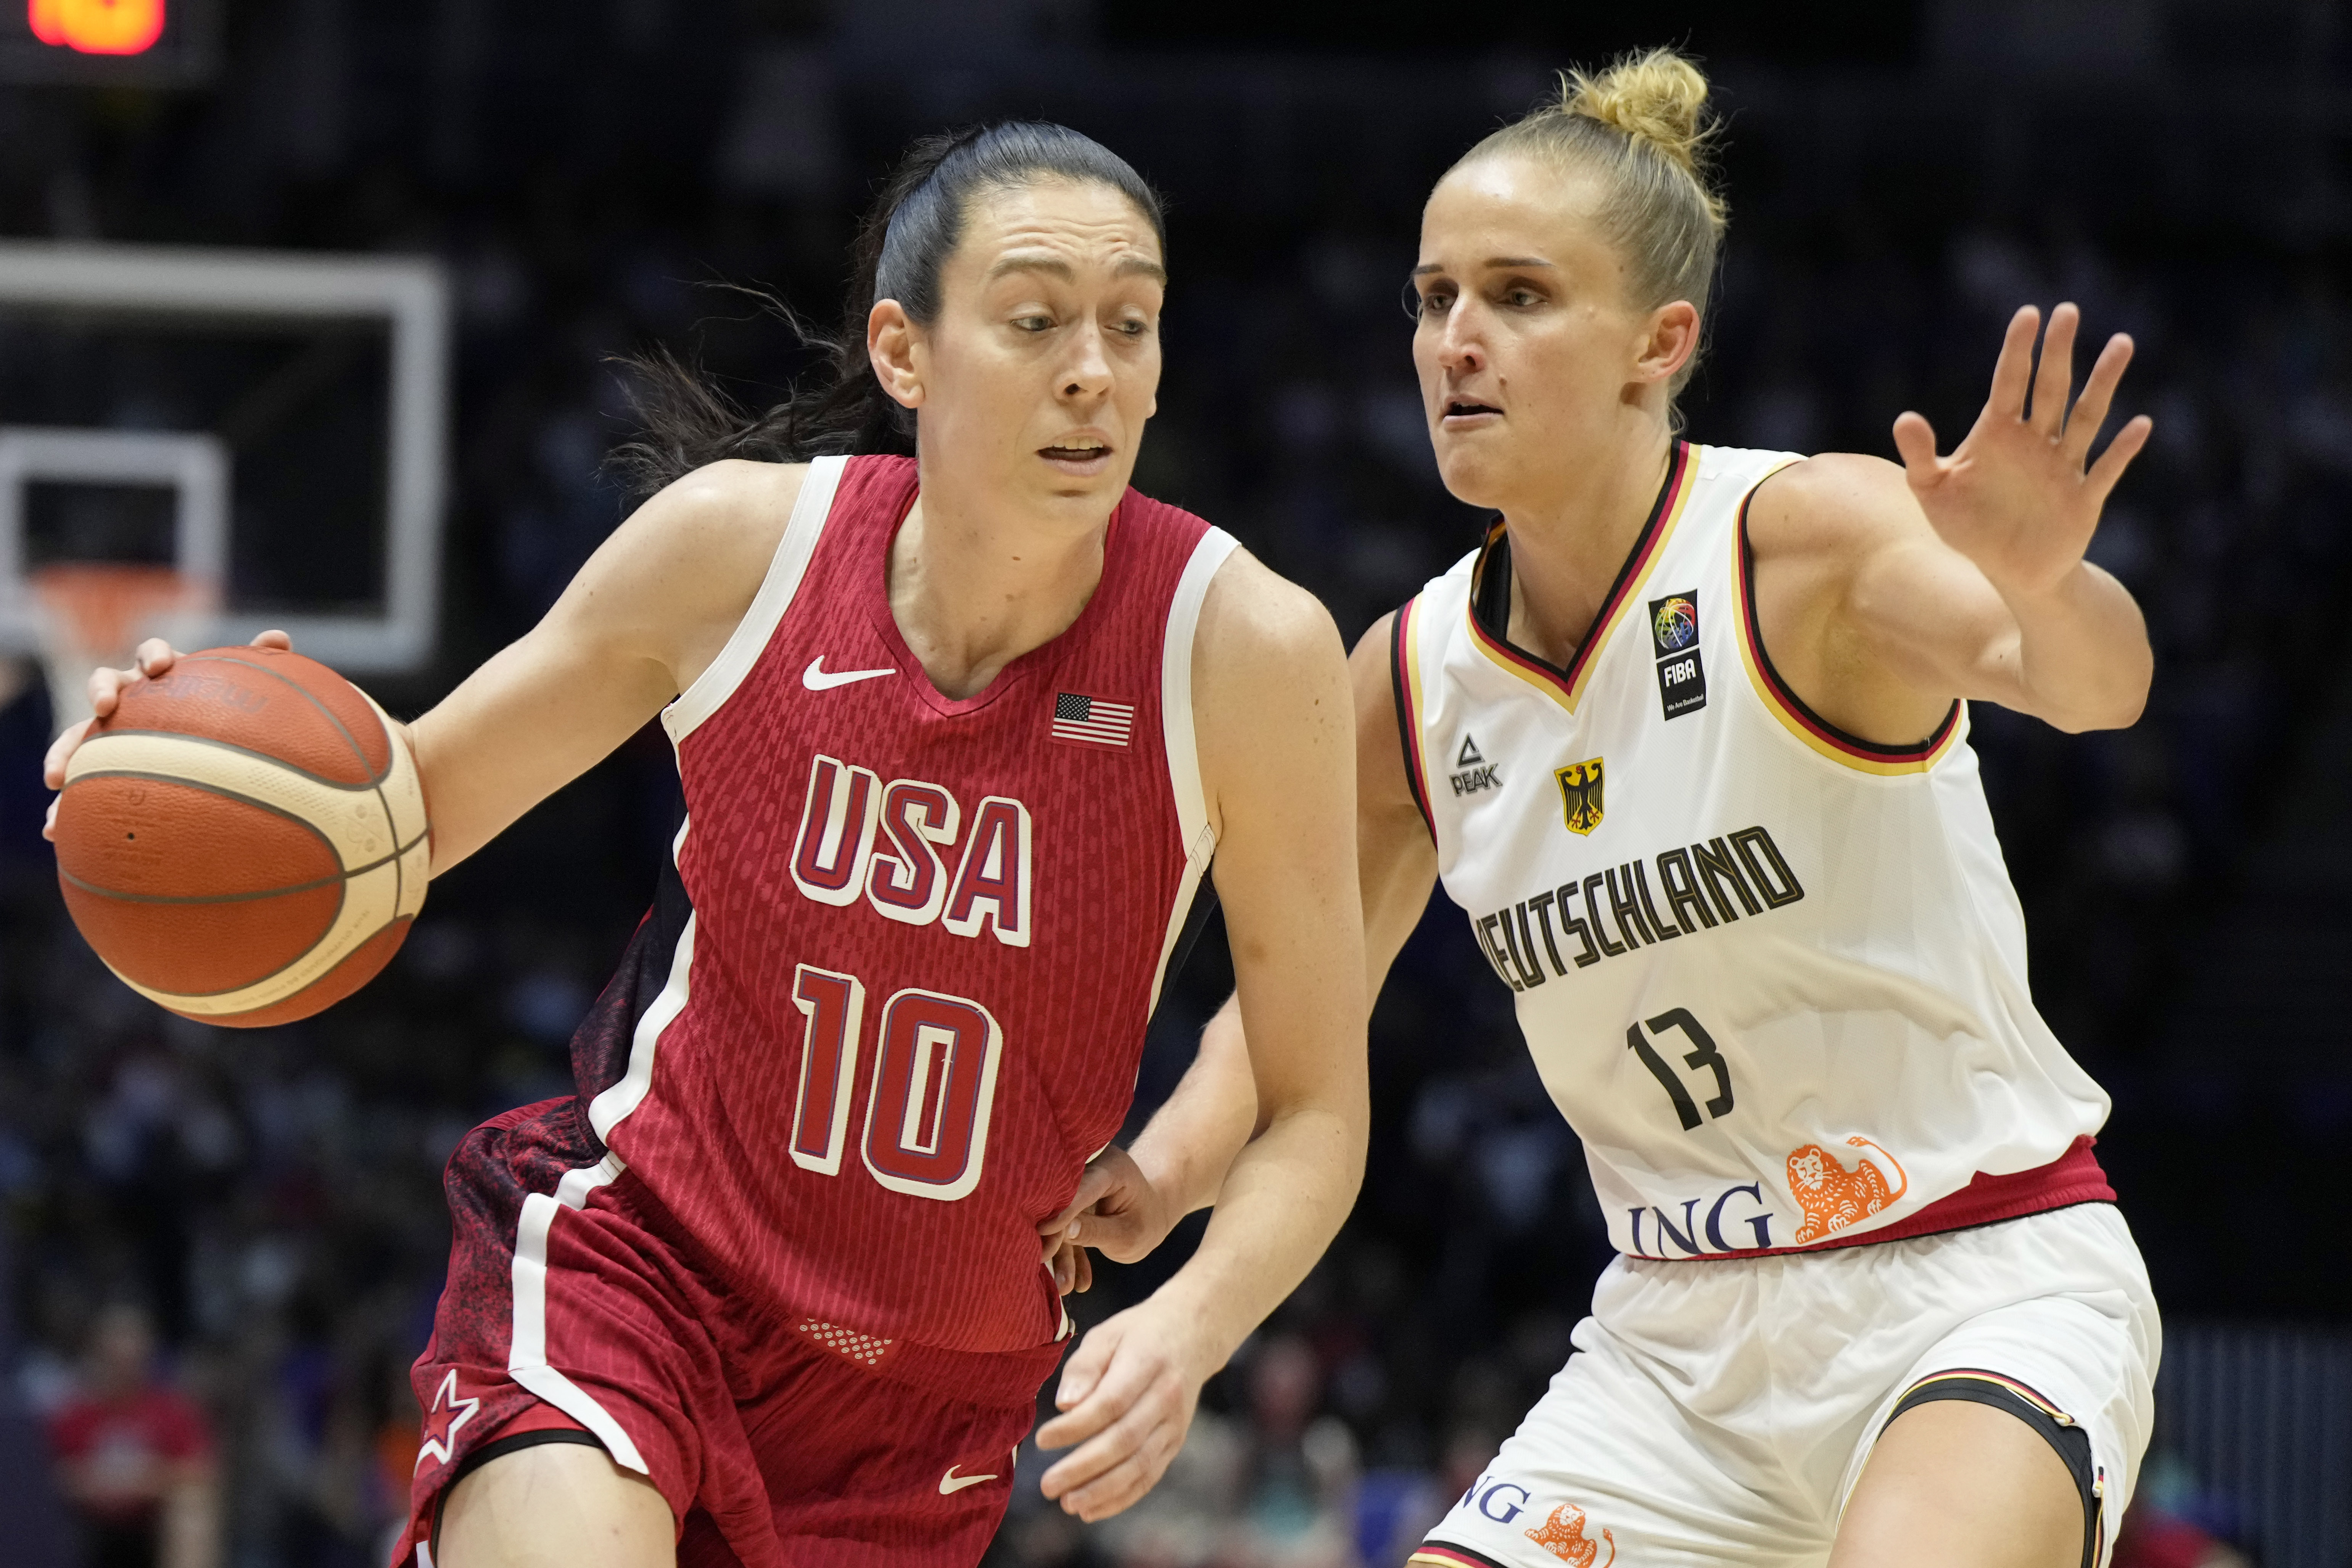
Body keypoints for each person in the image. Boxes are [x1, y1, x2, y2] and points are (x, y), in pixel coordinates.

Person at [43, 121, 1368, 1568]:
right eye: (1037, 319)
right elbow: (405, 811)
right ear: (903, 351)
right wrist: (176, 763)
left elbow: (1313, 1103)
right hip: (647, 1266)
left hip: (928, 1398)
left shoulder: (1241, 647)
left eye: (1133, 323)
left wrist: (1192, 1317)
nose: (1093, 370)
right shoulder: (742, 551)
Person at [1083, 47, 2162, 1568]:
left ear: (1658, 343)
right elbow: (1288, 1002)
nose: (1456, 340)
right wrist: (1166, 1175)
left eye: (1516, 297)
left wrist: (2035, 581)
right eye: (1431, 297)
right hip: (1673, 1342)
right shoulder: (1407, 674)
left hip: (1972, 1277)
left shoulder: (1796, 538)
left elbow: (2089, 684)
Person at [44, 1303, 219, 1568]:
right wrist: (103, 1485)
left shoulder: (172, 1410)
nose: (123, 1365)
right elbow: (56, 1476)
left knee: (192, 1509)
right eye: (114, 1355)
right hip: (90, 1526)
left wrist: (140, 1481)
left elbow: (199, 1473)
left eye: (131, 1355)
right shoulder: (73, 1414)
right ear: (97, 1354)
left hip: (151, 1527)